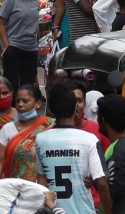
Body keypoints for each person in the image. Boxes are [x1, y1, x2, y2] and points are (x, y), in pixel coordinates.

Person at [35, 82, 112, 214]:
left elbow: (42, 178)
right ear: (75, 108)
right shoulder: (90, 139)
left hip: (54, 210)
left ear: (51, 111)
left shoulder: (41, 139)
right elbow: (102, 182)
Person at [0, 84, 53, 182]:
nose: (20, 104)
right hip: (15, 188)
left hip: (43, 187)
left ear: (38, 104)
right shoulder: (7, 129)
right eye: (17, 101)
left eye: (25, 101)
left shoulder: (49, 126)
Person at [0, 0, 44, 90]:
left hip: (31, 50)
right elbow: (1, 23)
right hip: (14, 49)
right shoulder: (11, 1)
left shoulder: (35, 2)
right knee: (11, 86)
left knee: (27, 88)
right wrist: (7, 46)